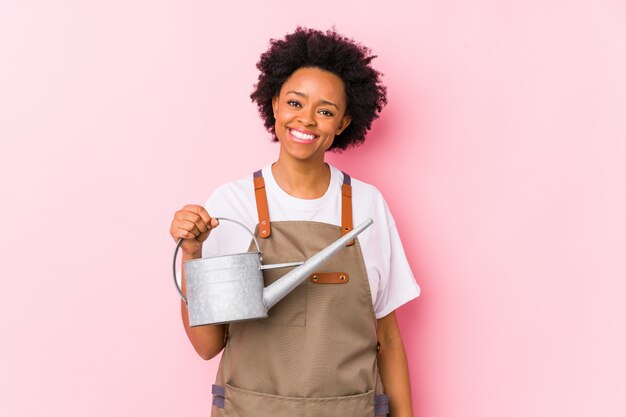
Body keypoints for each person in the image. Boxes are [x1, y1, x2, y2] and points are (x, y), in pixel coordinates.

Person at [169, 27, 420, 417]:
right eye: (295, 102)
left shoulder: (369, 206)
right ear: (274, 105)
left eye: (325, 111)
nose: (307, 120)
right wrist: (192, 253)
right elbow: (207, 345)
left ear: (342, 123)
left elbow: (387, 337)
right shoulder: (232, 206)